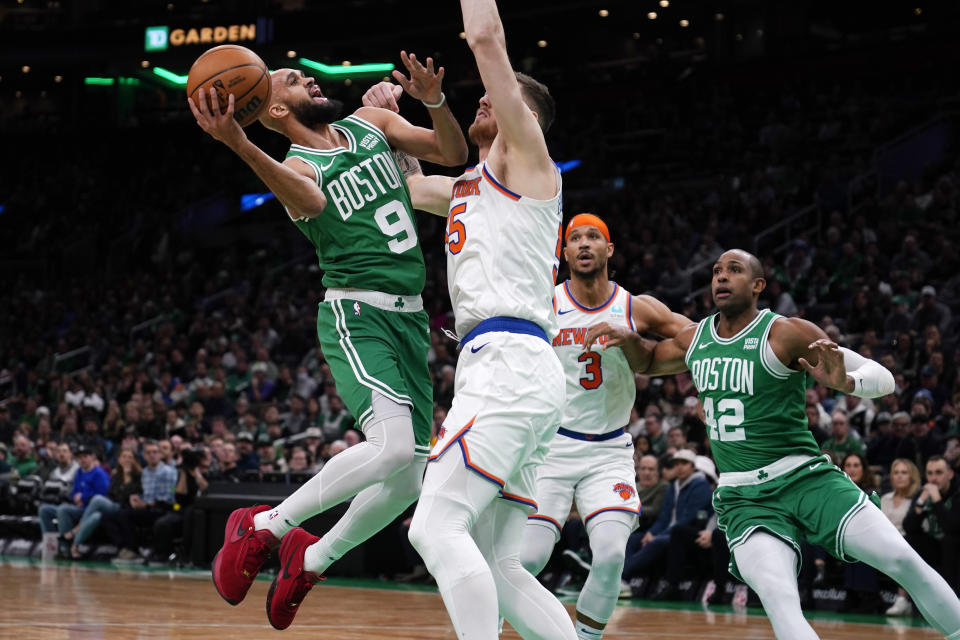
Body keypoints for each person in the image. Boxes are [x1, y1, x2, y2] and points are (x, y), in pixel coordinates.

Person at [190, 48, 468, 630]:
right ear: (270, 111)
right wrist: (237, 142)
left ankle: (311, 559)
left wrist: (435, 101)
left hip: (412, 318)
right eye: (294, 80)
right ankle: (263, 527)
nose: (310, 79)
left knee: (409, 475)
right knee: (391, 448)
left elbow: (451, 153)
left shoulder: (371, 124)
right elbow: (312, 201)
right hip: (357, 316)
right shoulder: (298, 170)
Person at [584, 248, 960, 639]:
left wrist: (848, 384)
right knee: (780, 598)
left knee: (903, 560)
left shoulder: (787, 332)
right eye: (716, 271)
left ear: (758, 284)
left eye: (734, 270)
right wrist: (629, 338)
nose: (721, 278)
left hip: (805, 478)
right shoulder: (695, 339)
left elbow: (882, 376)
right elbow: (648, 360)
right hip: (745, 497)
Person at [366, 1, 576, 635]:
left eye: (495, 98)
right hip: (513, 372)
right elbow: (405, 185)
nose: (481, 101)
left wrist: (489, 61)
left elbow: (484, 34)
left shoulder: (529, 165)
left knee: (434, 528)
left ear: (526, 118)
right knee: (499, 562)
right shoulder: (465, 186)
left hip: (510, 367)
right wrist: (395, 115)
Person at [517, 213, 690, 639]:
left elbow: (695, 339)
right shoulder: (544, 301)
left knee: (612, 554)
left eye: (593, 236)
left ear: (609, 249)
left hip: (609, 450)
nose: (583, 244)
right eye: (574, 238)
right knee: (526, 560)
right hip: (551, 448)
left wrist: (638, 344)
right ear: (564, 252)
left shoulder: (634, 307)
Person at [66, 448, 141, 559]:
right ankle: (75, 545)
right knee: (96, 516)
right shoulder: (116, 476)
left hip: (126, 507)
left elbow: (128, 496)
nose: (127, 459)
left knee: (97, 499)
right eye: (124, 457)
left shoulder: (138, 476)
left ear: (135, 460)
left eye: (130, 457)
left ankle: (78, 528)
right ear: (119, 459)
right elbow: (111, 493)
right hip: (113, 505)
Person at [37, 445, 109, 558]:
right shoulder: (80, 472)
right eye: (80, 457)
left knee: (63, 509)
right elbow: (74, 492)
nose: (82, 460)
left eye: (85, 456)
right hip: (77, 507)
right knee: (44, 510)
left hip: (88, 510)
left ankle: (65, 548)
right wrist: (75, 497)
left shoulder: (99, 473)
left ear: (92, 457)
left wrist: (83, 497)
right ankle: (51, 545)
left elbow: (103, 495)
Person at [882, 458, 922, 616]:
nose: (899, 476)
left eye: (904, 473)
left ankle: (902, 599)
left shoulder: (916, 500)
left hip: (907, 543)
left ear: (912, 477)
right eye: (896, 472)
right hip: (884, 543)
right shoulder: (885, 498)